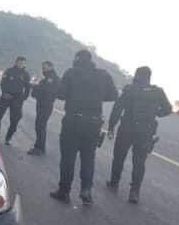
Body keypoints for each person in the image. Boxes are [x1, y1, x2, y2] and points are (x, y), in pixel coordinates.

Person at [50, 50, 118, 204]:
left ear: (77, 59)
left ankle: (64, 191)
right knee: (88, 158)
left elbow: (60, 94)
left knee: (68, 159)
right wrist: (98, 97)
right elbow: (113, 95)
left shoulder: (71, 73)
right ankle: (86, 191)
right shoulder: (103, 74)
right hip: (93, 123)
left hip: (73, 122)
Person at [105, 66, 172, 203]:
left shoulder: (129, 89)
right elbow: (168, 109)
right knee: (139, 162)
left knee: (119, 157)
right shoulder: (158, 92)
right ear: (149, 77)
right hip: (146, 131)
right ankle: (134, 192)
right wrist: (157, 113)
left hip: (126, 129)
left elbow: (117, 109)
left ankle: (114, 182)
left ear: (136, 75)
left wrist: (111, 127)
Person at [0, 56, 31, 145]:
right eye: (19, 62)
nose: (21, 64)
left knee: (15, 120)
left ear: (24, 64)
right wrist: (4, 92)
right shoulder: (9, 71)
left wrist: (23, 98)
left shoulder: (26, 74)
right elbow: (2, 83)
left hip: (17, 99)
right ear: (16, 62)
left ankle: (8, 137)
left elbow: (28, 88)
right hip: (6, 97)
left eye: (23, 63)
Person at [27, 61, 59, 156]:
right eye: (42, 68)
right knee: (40, 126)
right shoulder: (46, 79)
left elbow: (46, 90)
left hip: (46, 105)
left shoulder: (53, 79)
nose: (43, 70)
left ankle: (39, 148)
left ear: (51, 67)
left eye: (45, 68)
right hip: (42, 104)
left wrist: (35, 87)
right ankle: (40, 147)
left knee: (40, 126)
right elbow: (40, 90)